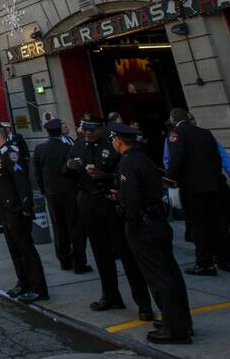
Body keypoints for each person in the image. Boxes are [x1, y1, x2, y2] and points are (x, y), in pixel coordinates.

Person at [110, 122, 192, 345]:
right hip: (157, 222)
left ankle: (174, 329)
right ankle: (180, 320)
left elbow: (134, 200)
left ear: (119, 141)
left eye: (114, 139)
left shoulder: (128, 163)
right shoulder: (144, 159)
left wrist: (131, 219)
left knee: (159, 278)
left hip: (144, 226)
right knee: (170, 273)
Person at [65, 115, 153, 320]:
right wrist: (70, 166)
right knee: (100, 252)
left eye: (91, 129)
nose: (87, 132)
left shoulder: (112, 144)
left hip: (111, 202)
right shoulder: (78, 145)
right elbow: (65, 172)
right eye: (84, 128)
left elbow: (128, 174)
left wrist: (104, 176)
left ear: (101, 129)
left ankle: (143, 303)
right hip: (88, 201)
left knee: (126, 253)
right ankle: (111, 295)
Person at [166, 107, 230, 275]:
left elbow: (176, 158)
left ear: (173, 118)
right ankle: (227, 260)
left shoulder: (176, 133)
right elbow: (216, 157)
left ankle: (204, 262)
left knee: (198, 225)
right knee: (219, 223)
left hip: (193, 187)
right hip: (213, 185)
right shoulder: (205, 133)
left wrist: (169, 178)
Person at [0, 126, 48, 303]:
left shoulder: (11, 153)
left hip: (16, 212)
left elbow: (22, 182)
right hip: (5, 212)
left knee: (26, 250)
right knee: (15, 251)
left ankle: (38, 288)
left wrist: (25, 207)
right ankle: (23, 282)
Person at [33, 118, 90, 274]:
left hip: (52, 193)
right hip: (70, 192)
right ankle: (79, 262)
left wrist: (44, 190)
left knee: (59, 227)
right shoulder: (68, 148)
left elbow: (37, 173)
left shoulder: (39, 149)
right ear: (60, 131)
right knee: (75, 227)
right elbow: (75, 170)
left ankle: (64, 260)